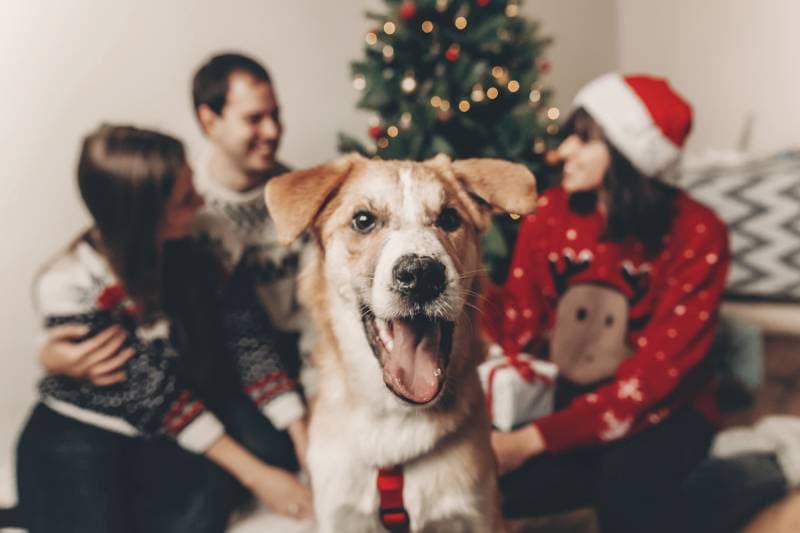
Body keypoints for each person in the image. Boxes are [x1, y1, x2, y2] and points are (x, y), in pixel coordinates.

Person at [16, 125, 312, 533]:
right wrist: (258, 477)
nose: (202, 200)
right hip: (86, 431)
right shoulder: (69, 283)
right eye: (185, 199)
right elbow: (153, 397)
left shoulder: (209, 239)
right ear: (144, 217)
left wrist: (300, 431)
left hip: (172, 412)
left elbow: (248, 338)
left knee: (238, 480)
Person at [483, 73, 731, 533]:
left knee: (627, 489)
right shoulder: (549, 214)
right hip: (573, 401)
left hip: (667, 408)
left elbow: (656, 380)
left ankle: (747, 480)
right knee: (496, 486)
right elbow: (518, 327)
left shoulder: (698, 232)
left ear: (628, 151)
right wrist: (467, 279)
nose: (563, 153)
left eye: (583, 140)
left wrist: (532, 440)